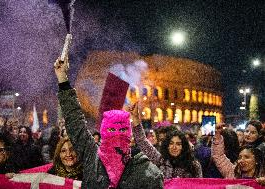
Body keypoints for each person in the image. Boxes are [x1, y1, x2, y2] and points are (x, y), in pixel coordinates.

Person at [54, 57, 163, 189]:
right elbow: (75, 123)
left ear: (128, 133)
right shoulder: (92, 157)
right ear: (104, 131)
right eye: (112, 130)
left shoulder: (145, 170)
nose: (117, 134)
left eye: (122, 130)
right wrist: (62, 79)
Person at [131, 103, 202, 178]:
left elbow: (199, 184)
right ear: (167, 145)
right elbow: (142, 142)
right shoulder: (161, 160)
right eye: (171, 143)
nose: (174, 147)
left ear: (183, 146)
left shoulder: (193, 165)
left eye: (178, 144)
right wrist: (135, 118)